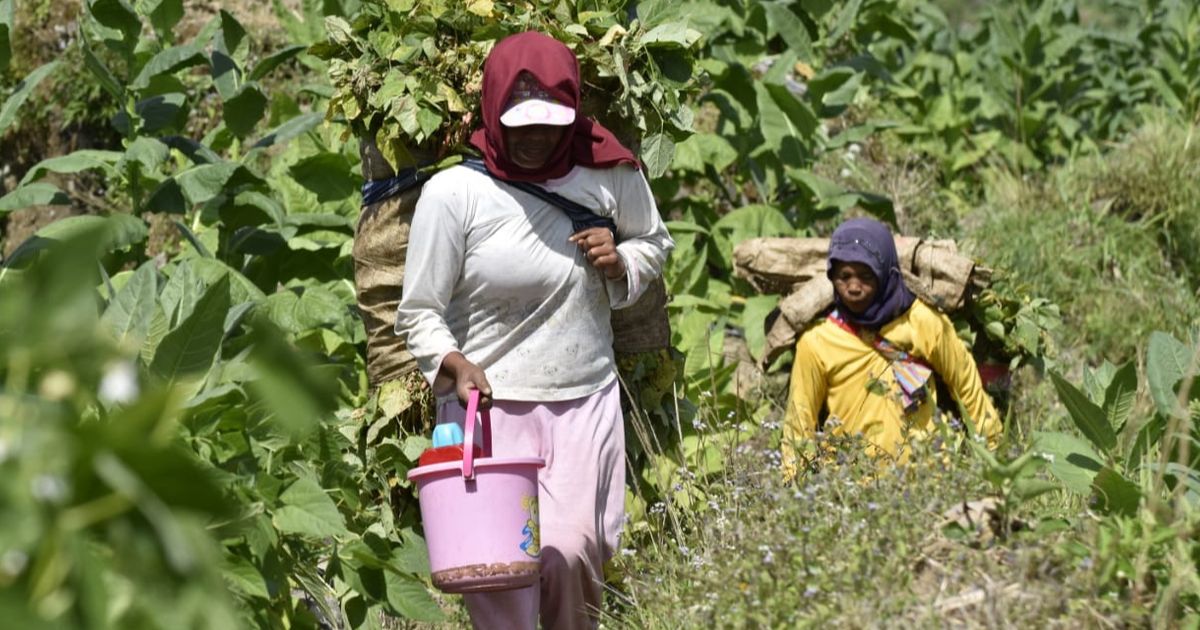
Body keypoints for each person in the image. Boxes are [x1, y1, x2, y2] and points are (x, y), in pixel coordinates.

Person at [395, 31, 674, 629]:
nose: (534, 138)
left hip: (582, 401)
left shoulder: (610, 175)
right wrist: (452, 364)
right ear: (493, 113)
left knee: (574, 554)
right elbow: (418, 310)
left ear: (573, 116)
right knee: (498, 574)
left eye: (549, 124)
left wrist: (622, 260)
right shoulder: (455, 194)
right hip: (489, 413)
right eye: (519, 125)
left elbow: (654, 242)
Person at [781, 217, 1001, 479]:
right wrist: (793, 483)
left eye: (865, 276)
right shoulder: (817, 341)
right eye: (844, 277)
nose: (853, 287)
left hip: (929, 480)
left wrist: (995, 459)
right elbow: (799, 420)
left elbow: (967, 389)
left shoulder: (924, 322)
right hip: (851, 487)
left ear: (886, 273)